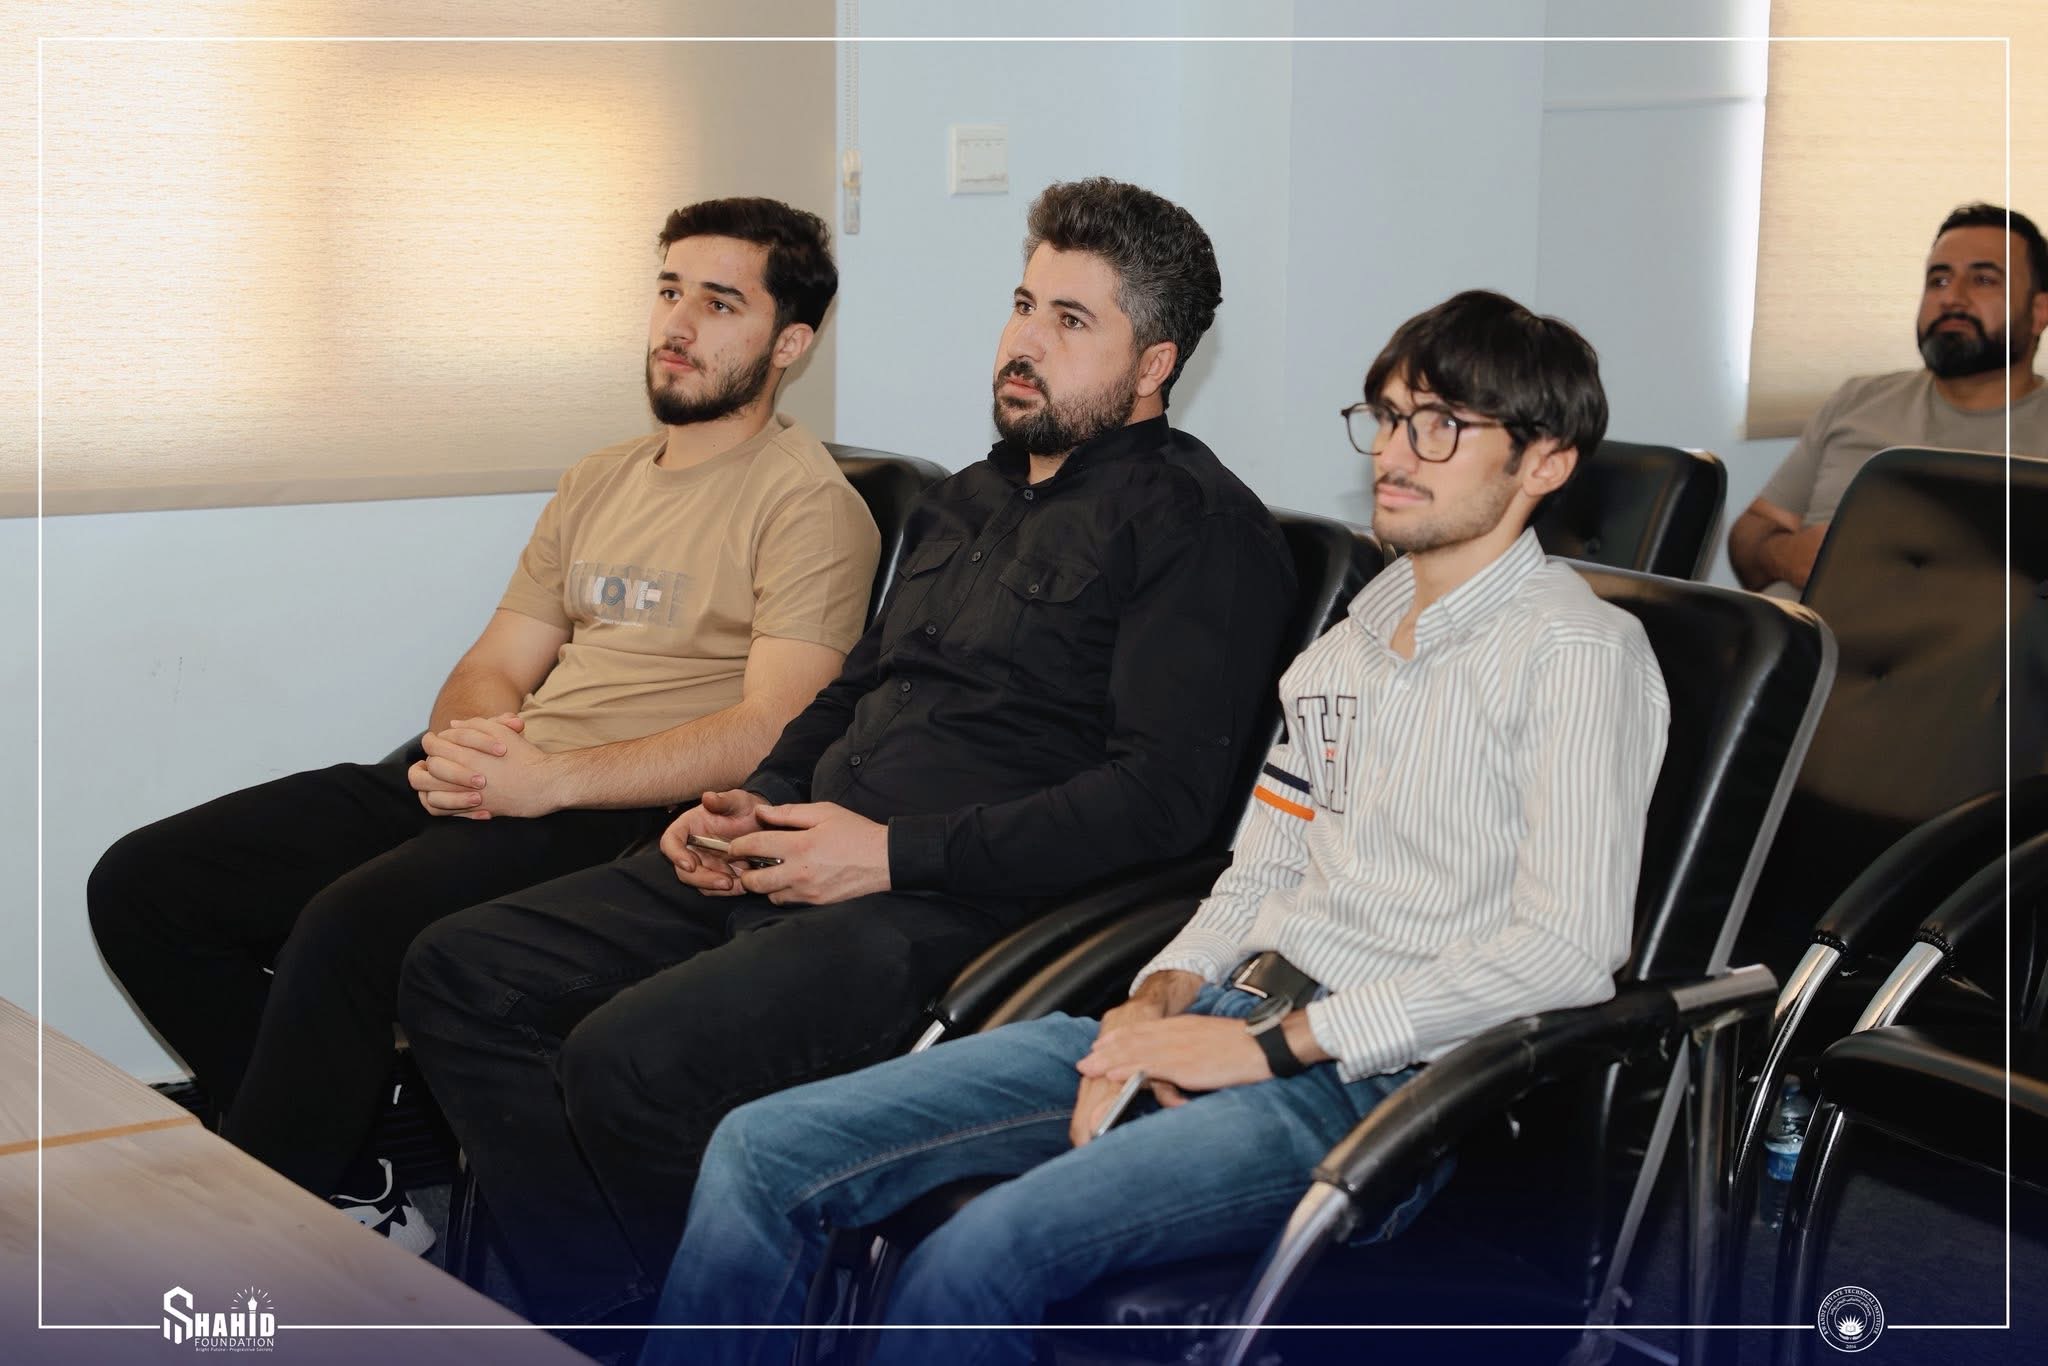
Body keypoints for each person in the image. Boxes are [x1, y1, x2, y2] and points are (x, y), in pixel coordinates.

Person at [645, 290, 1671, 1366]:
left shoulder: (1576, 656)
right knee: (763, 1149)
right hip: (1231, 1015)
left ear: (1545, 460)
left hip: (1380, 1085)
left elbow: (1565, 953)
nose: (1394, 452)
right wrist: (1155, 1003)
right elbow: (1256, 871)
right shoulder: (1342, 653)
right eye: (1387, 416)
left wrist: (1270, 1045)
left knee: (978, 1254)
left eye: (1442, 425)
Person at [396, 177, 1297, 1332]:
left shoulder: (1199, 529)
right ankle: (613, 1311)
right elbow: (854, 691)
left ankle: (682, 1325)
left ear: (1153, 365)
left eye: (1070, 321)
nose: (1022, 342)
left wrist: (887, 855)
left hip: (956, 911)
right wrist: (748, 800)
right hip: (796, 847)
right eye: (1023, 304)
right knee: (459, 970)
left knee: (630, 1060)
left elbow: (1160, 804)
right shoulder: (967, 500)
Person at [86, 197, 876, 1251]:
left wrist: (550, 780)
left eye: (720, 302)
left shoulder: (808, 505)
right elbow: (494, 663)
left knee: (348, 927)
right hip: (510, 770)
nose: (677, 324)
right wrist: (475, 745)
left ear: (789, 344)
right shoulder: (599, 477)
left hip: (618, 807)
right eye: (668, 290)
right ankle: (353, 1170)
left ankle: (270, 1241)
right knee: (147, 885)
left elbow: (773, 727)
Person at [1729, 202, 2048, 596]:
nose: (1952, 298)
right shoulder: (1858, 401)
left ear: (2039, 311)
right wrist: (1787, 556)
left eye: (1983, 280)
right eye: (1938, 280)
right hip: (1803, 629)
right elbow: (1753, 531)